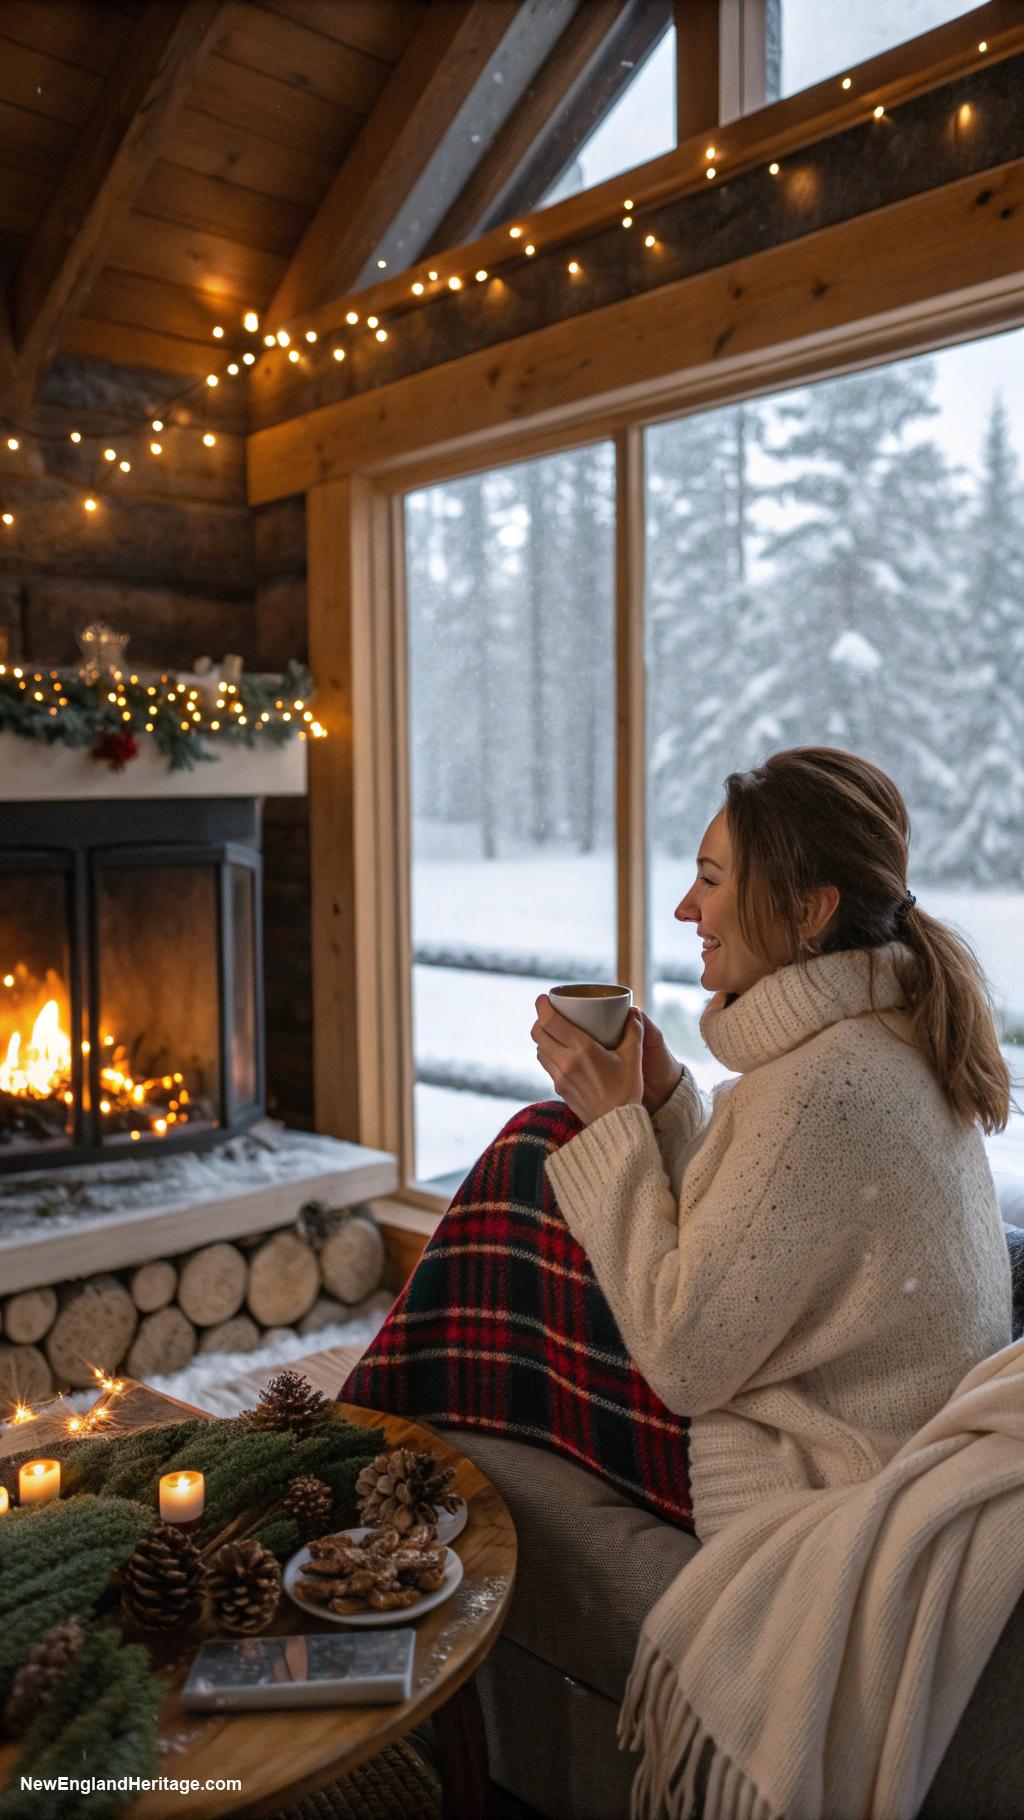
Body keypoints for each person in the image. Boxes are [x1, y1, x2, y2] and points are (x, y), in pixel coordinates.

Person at [341, 746, 1015, 1542]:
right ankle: (372, 1437)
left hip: (818, 1469)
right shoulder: (884, 1036)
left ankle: (353, 1448)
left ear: (810, 912)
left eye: (712, 879)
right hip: (856, 1420)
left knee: (537, 1152)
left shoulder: (825, 1090)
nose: (685, 909)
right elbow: (764, 1232)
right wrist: (662, 1103)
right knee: (549, 1147)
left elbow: (688, 1361)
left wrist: (619, 1128)